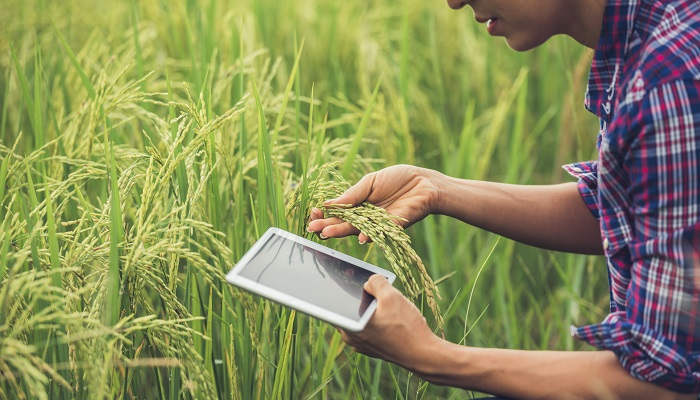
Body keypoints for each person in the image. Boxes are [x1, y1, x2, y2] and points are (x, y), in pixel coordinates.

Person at [307, 0, 700, 398]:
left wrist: (428, 356)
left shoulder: (668, 80)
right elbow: (632, 211)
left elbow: (663, 384)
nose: (454, 2)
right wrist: (435, 188)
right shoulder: (646, 37)